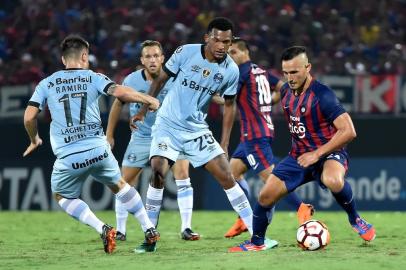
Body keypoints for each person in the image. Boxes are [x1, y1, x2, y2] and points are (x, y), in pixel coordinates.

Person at [23, 35, 160, 254]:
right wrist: (148, 99)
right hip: (99, 150)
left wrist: (34, 139)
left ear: (63, 59)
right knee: (120, 185)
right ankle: (149, 228)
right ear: (84, 56)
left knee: (62, 196)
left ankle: (102, 228)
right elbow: (120, 92)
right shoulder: (93, 77)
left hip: (69, 157)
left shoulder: (46, 83)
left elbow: (29, 117)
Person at [229, 46, 376, 252]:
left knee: (333, 180)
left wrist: (317, 153)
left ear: (308, 68)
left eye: (295, 71)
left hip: (328, 153)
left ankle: (355, 219)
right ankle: (257, 242)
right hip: (298, 156)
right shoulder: (285, 92)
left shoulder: (322, 94)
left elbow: (349, 131)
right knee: (265, 196)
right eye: (286, 72)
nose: (290, 77)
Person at [131, 17, 254, 252]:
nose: (221, 46)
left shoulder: (230, 70)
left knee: (227, 177)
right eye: (217, 40)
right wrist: (145, 109)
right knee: (158, 171)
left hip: (196, 128)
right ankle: (150, 237)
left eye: (226, 42)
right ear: (207, 38)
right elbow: (161, 79)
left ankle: (257, 236)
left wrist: (225, 142)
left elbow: (230, 106)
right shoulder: (186, 52)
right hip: (167, 124)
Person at [106, 40, 200, 243]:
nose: (153, 60)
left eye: (156, 55)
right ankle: (121, 230)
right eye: (148, 56)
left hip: (172, 135)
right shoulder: (131, 80)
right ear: (142, 60)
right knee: (123, 181)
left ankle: (186, 227)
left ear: (163, 58)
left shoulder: (175, 78)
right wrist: (109, 135)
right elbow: (117, 105)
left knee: (183, 175)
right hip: (142, 136)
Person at [224, 38, 314, 238]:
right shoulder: (261, 71)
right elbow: (284, 86)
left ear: (244, 52)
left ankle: (302, 208)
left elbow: (226, 99)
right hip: (254, 135)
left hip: (255, 136)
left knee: (274, 182)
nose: (230, 57)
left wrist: (203, 94)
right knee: (232, 173)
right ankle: (243, 218)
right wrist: (267, 102)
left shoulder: (242, 73)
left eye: (233, 53)